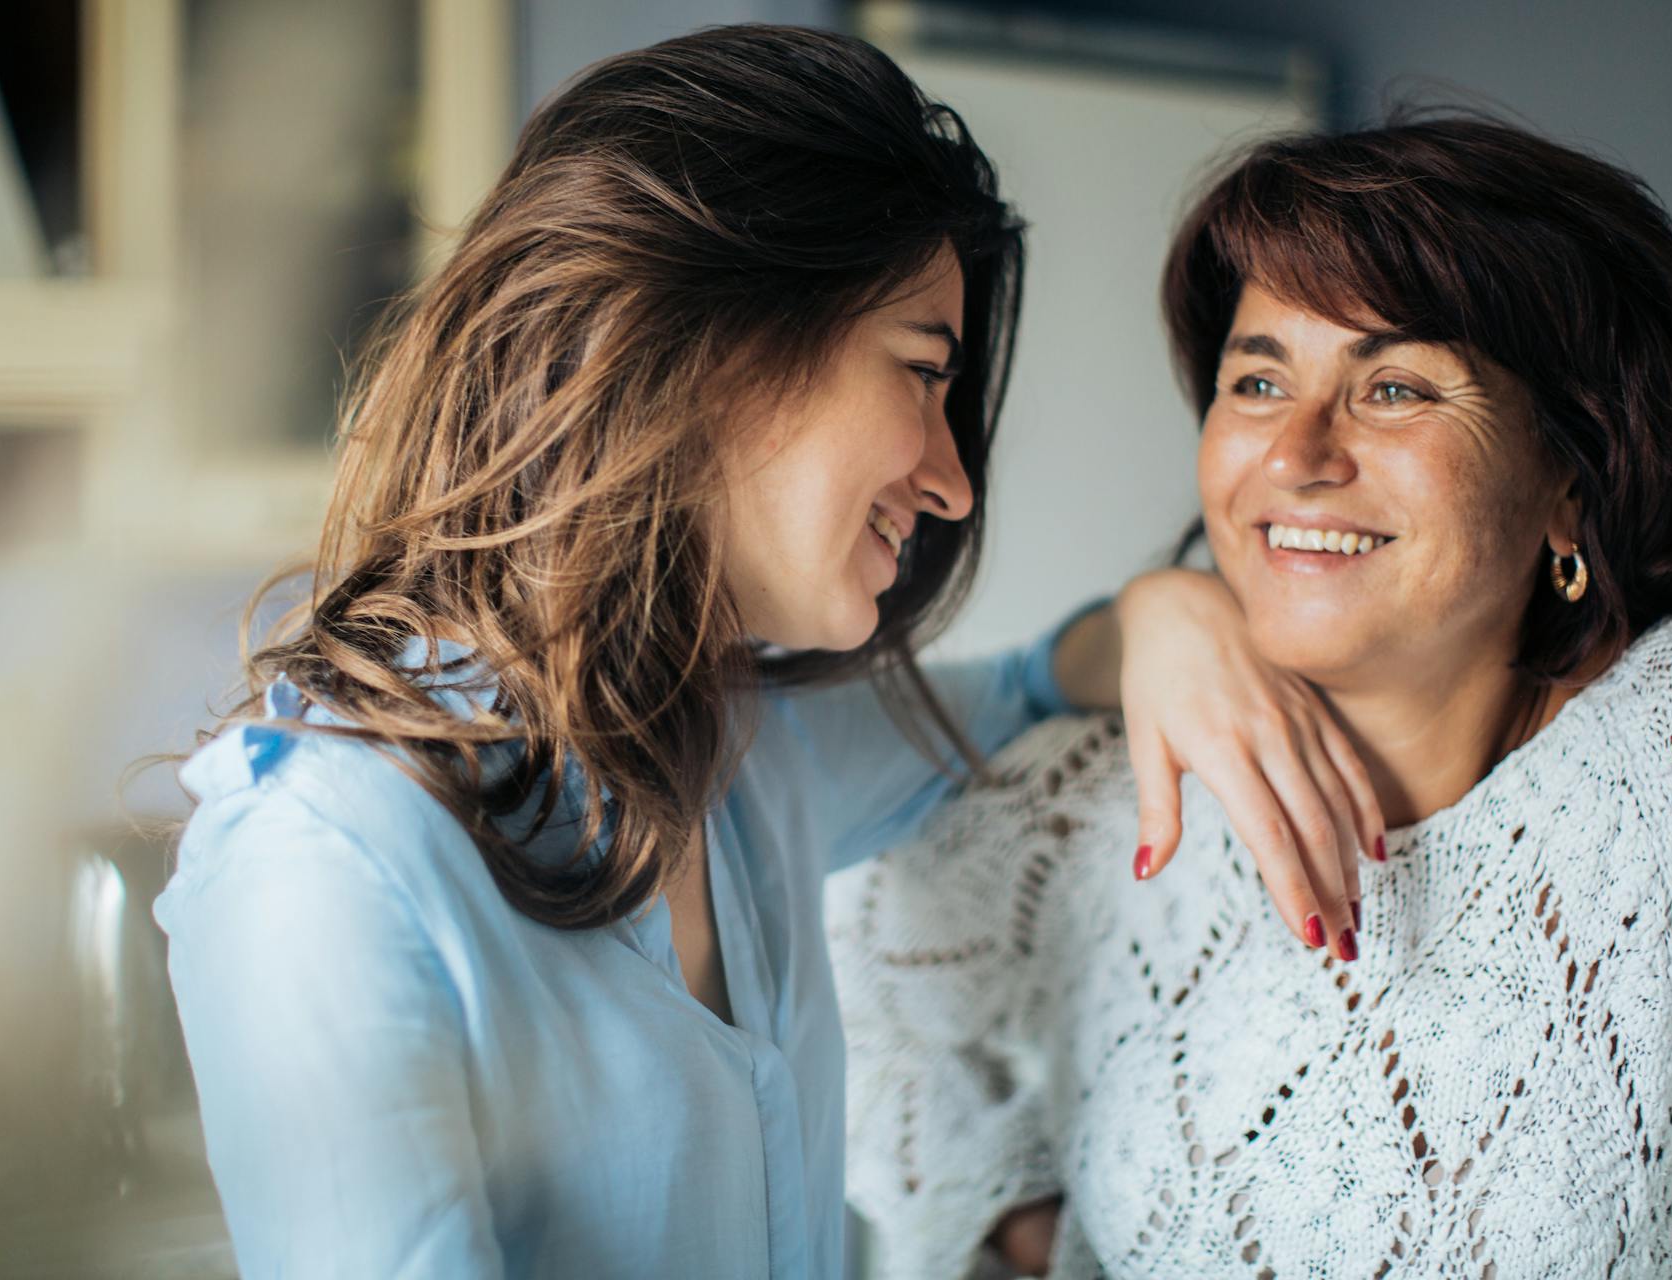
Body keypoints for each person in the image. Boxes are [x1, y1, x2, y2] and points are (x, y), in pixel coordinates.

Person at [152, 26, 1378, 1279]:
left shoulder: (735, 744)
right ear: (713, 348)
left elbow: (1017, 693)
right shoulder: (329, 857)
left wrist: (1172, 608)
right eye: (920, 373)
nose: (952, 482)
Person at [834, 112, 1672, 1279]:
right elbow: (871, 1003)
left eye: (1394, 388)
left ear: (1570, 483)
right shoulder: (1100, 802)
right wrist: (1029, 1236)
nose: (1297, 450)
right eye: (1259, 377)